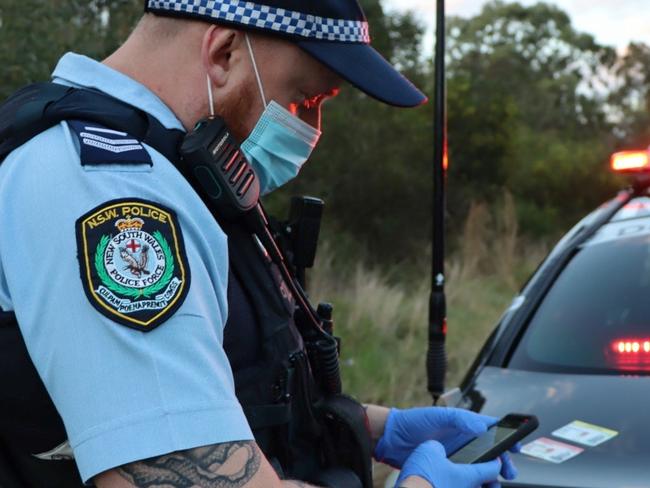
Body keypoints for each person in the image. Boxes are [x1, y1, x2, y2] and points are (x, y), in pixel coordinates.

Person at [0, 1, 519, 487]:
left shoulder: (179, 171)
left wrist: (376, 428)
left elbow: (222, 380)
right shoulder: (107, 191)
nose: (312, 127)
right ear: (224, 52)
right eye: (307, 98)